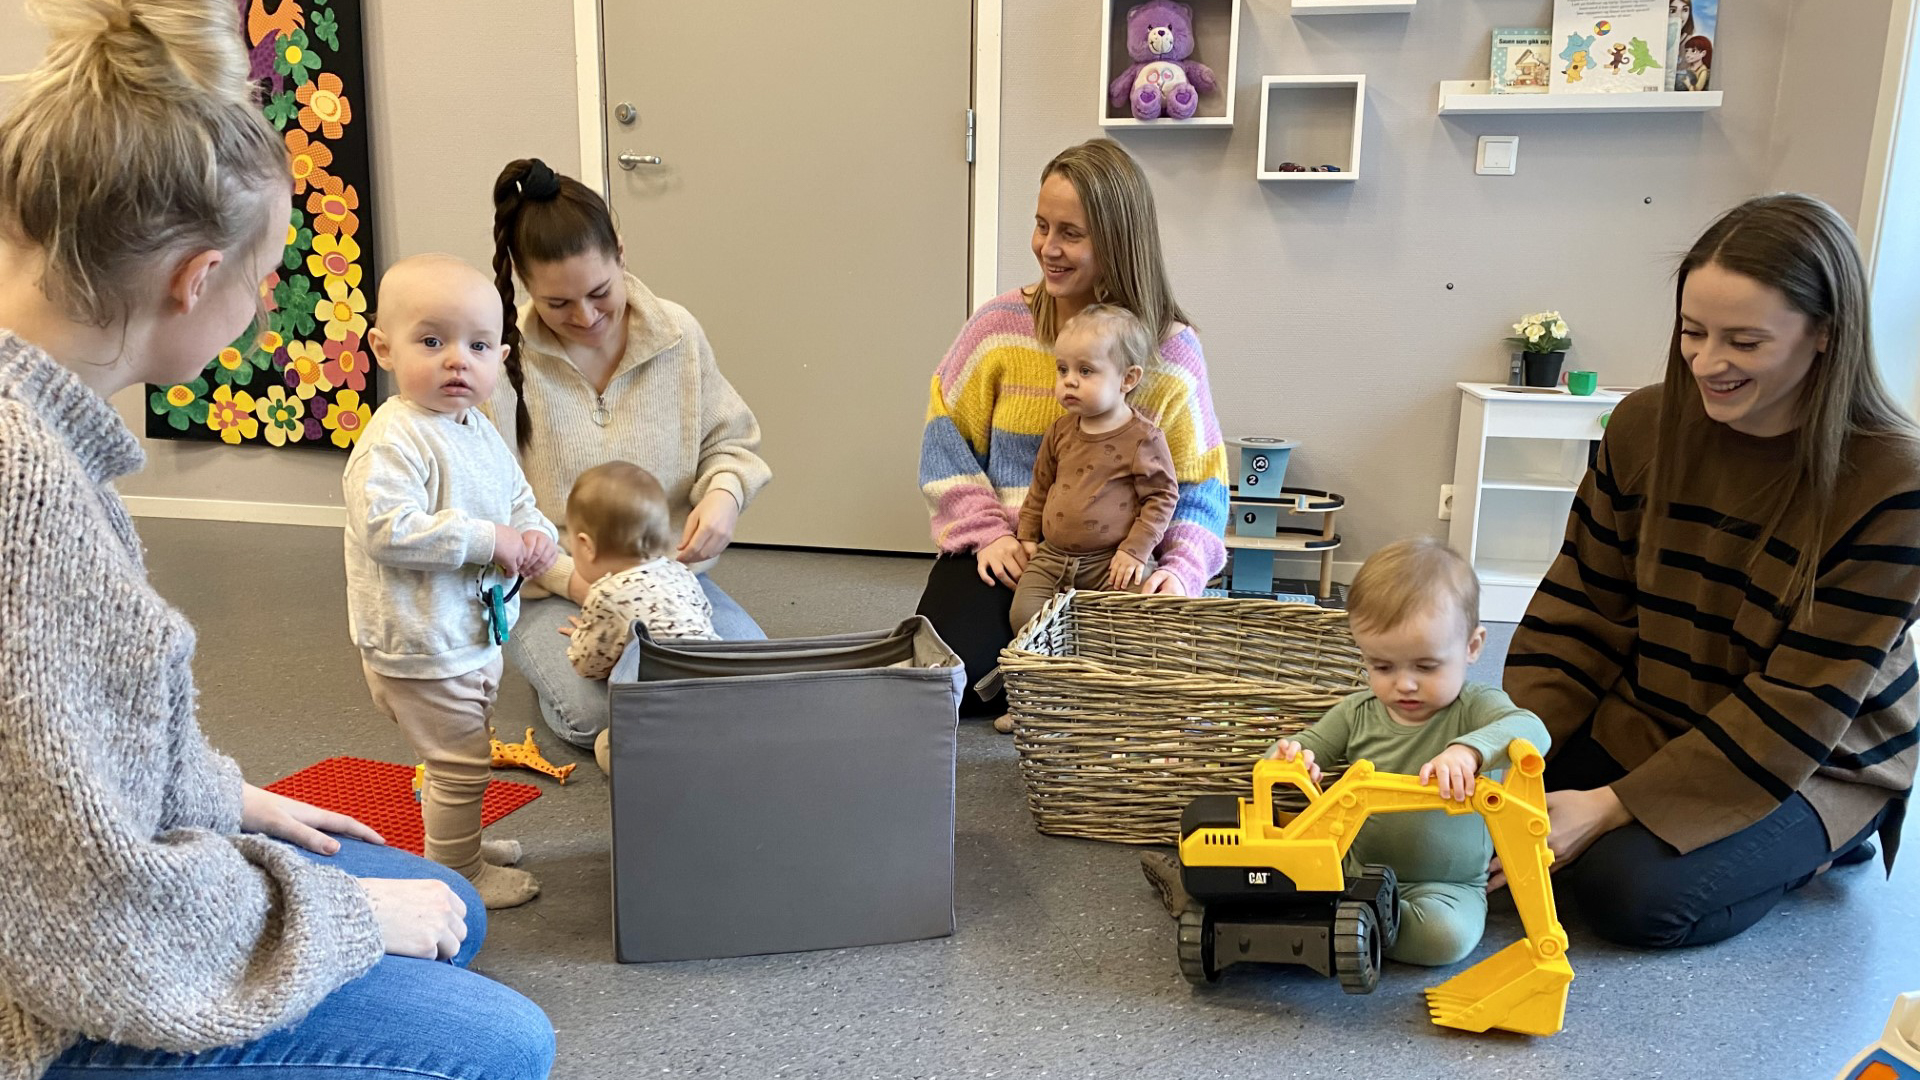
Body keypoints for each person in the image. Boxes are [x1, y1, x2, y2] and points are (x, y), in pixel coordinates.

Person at [0, 2, 554, 1077]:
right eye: (260, 283)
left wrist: (225, 797)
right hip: (44, 1004)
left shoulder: (46, 441)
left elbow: (64, 768)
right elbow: (80, 921)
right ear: (195, 278)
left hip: (76, 916)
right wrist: (340, 913)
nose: (259, 313)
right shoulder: (29, 503)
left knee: (444, 902)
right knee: (503, 1045)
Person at [1503, 193, 1920, 950]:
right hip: (1661, 709)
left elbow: (1801, 703)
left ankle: (1831, 840)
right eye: (1692, 333)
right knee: (1490, 822)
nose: (1707, 361)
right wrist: (1508, 743)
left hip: (1816, 755)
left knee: (1631, 896)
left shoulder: (1894, 481)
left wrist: (1606, 806)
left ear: (1825, 334)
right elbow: (1578, 615)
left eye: (1745, 342)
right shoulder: (1641, 426)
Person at [917, 139, 1229, 718]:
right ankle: (1053, 677)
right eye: (1041, 226)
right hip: (1016, 552)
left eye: (1071, 234)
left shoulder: (1171, 350)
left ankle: (1056, 678)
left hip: (1118, 567)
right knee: (945, 682)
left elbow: (1200, 489)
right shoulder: (997, 326)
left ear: (1117, 243)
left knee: (1150, 692)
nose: (1048, 249)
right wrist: (991, 534)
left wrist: (1181, 571)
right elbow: (944, 441)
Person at [1142, 539, 1552, 967]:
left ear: (1472, 646)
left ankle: (1335, 933)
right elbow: (1296, 751)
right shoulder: (1356, 712)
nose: (1404, 684)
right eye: (1382, 666)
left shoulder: (1477, 707)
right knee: (1280, 876)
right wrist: (1289, 757)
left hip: (1444, 885)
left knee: (1445, 939)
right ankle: (1329, 929)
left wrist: (1470, 752)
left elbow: (1532, 730)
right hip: (1351, 870)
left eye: (1426, 666)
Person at [487, 158, 772, 750]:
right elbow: (492, 511)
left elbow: (731, 441)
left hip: (667, 583)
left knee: (756, 683)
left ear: (620, 251)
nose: (585, 318)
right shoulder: (501, 362)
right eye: (557, 304)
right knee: (603, 717)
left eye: (599, 293)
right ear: (522, 285)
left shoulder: (676, 334)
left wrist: (724, 494)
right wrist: (578, 585)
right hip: (553, 590)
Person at [345, 255, 558, 909]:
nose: (457, 361)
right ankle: (457, 868)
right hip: (420, 642)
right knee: (462, 759)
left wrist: (535, 532)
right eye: (432, 342)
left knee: (464, 751)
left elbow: (515, 496)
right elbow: (389, 527)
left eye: (478, 345)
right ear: (384, 348)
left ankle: (455, 834)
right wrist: (489, 539)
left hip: (465, 630)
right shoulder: (395, 441)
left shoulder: (477, 428)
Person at [1008, 304, 1178, 637]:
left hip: (1111, 562)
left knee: (1138, 620)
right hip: (1051, 558)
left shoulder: (1143, 438)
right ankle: (1056, 666)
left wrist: (1135, 551)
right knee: (1022, 618)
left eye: (1085, 371)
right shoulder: (1059, 431)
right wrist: (1027, 535)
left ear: (1127, 379)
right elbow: (1040, 486)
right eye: (1062, 369)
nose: (1069, 381)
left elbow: (1162, 497)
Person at [556, 461, 718, 770]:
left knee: (608, 743)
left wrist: (582, 637)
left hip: (660, 717)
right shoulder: (679, 572)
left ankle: (656, 769)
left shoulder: (605, 594)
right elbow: (704, 614)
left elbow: (589, 666)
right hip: (714, 696)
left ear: (585, 546)